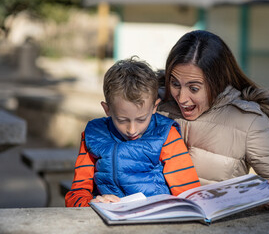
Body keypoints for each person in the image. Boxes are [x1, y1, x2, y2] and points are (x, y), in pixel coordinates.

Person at [157, 30, 269, 211]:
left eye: (194, 88)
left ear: (217, 82)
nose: (182, 98)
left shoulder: (247, 121)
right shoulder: (151, 104)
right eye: (175, 84)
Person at [65, 57, 200, 207]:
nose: (132, 130)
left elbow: (189, 193)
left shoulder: (165, 134)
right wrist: (92, 204)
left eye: (141, 119)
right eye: (122, 120)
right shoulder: (93, 135)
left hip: (154, 216)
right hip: (109, 217)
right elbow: (76, 194)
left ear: (154, 107)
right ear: (107, 109)